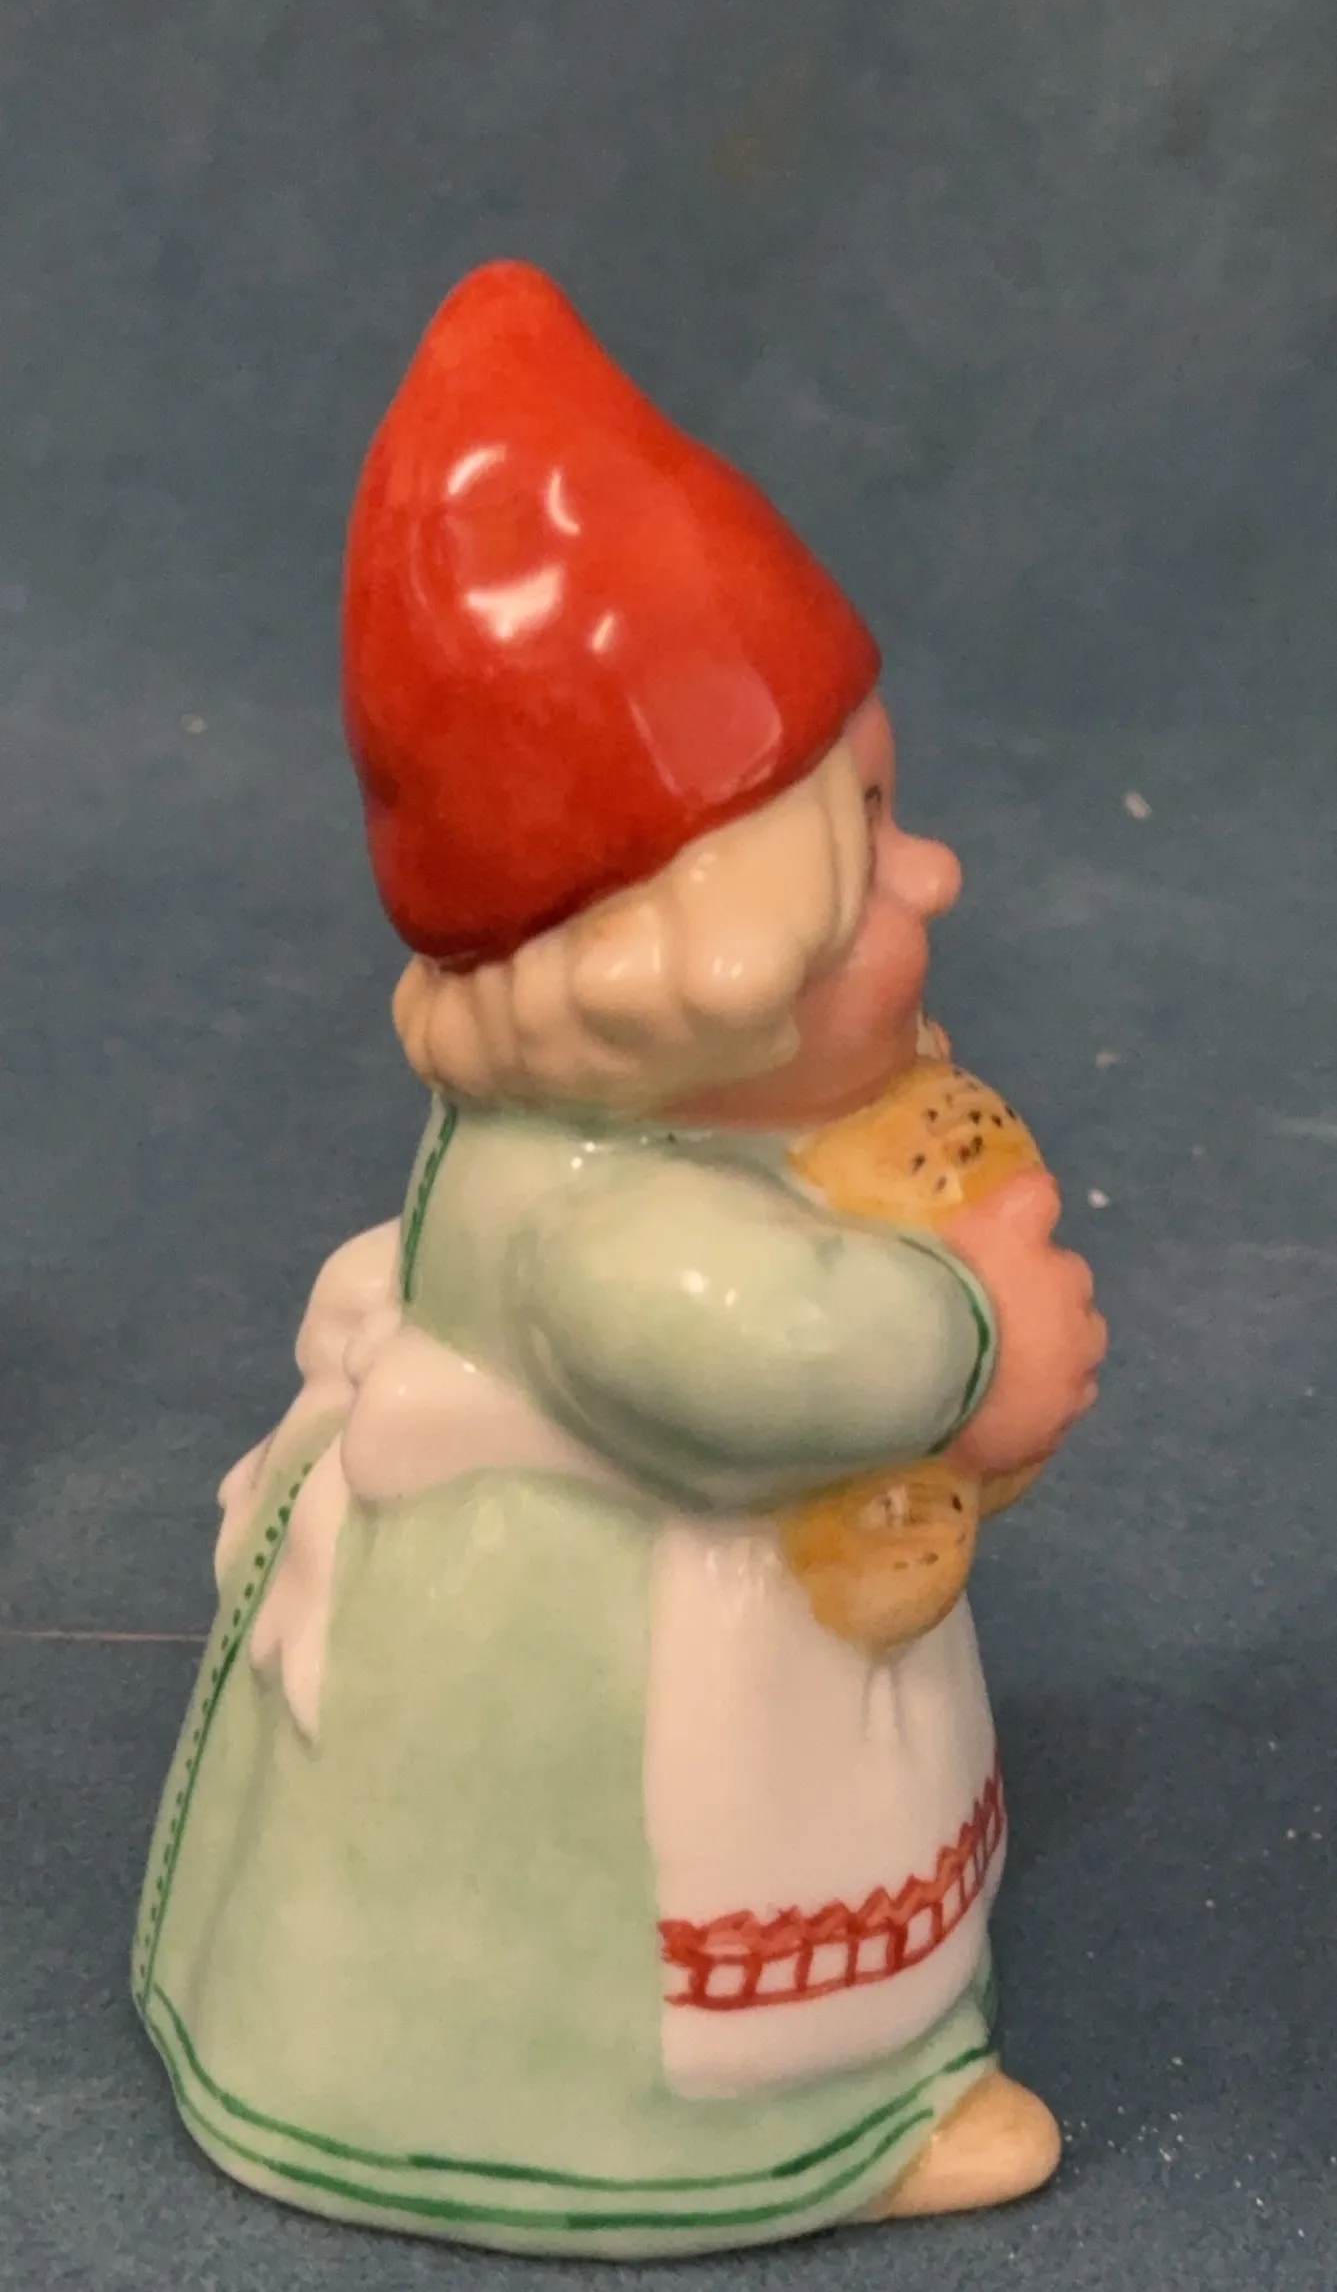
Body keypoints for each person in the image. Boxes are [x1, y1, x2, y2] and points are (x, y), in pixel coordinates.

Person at [134, 262, 1105, 2257]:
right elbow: (744, 1353)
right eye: (868, 842)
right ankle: (706, 2140)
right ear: (706, 976)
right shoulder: (602, 1219)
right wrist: (975, 1337)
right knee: (669, 1915)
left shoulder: (665, 1145)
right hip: (611, 1676)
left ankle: (827, 2083)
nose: (930, 874)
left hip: (667, 1626)